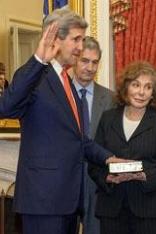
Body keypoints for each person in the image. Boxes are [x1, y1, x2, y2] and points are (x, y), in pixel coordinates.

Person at [0, 9, 124, 234]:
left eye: (82, 39)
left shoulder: (67, 81)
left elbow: (79, 140)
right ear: (55, 37)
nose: (80, 46)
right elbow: (6, 107)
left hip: (67, 201)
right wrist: (38, 60)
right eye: (76, 39)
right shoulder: (35, 76)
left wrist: (110, 158)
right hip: (43, 202)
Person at [88, 61, 156, 234]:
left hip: (151, 210)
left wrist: (146, 176)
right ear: (126, 88)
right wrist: (107, 178)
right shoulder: (108, 118)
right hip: (112, 209)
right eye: (136, 85)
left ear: (154, 93)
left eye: (148, 87)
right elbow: (94, 162)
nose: (141, 92)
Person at [72, 36, 114, 234]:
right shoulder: (60, 94)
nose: (89, 67)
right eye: (84, 60)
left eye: (94, 62)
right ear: (74, 59)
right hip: (66, 181)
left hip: (97, 182)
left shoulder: (111, 99)